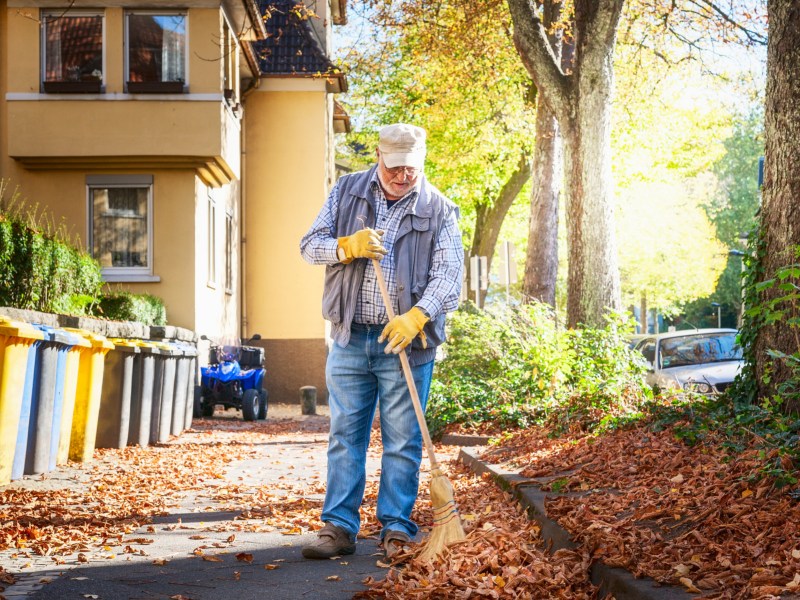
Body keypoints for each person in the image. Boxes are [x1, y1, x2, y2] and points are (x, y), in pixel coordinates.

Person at [299, 123, 464, 561]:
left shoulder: (440, 209)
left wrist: (418, 315)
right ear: (378, 156)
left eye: (411, 168)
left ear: (421, 161)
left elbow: (450, 278)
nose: (403, 176)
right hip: (350, 337)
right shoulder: (348, 192)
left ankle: (396, 527)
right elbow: (308, 247)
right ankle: (338, 528)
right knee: (345, 436)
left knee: (403, 440)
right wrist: (345, 246)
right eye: (395, 168)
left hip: (406, 345)